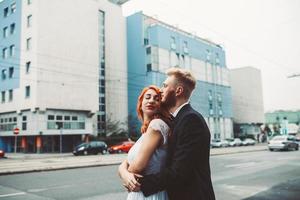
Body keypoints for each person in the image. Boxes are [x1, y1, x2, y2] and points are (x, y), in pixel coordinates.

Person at [120, 67, 215, 200]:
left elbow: (179, 172)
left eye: (165, 86)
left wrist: (138, 183)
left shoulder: (191, 120)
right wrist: (123, 172)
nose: (161, 90)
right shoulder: (177, 120)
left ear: (178, 90)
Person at [118, 85, 172, 200]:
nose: (152, 100)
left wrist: (124, 173)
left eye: (157, 99)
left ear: (160, 106)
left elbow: (137, 167)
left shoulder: (157, 125)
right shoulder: (145, 132)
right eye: (148, 97)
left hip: (150, 194)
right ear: (141, 103)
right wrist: (123, 172)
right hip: (139, 193)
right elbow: (127, 162)